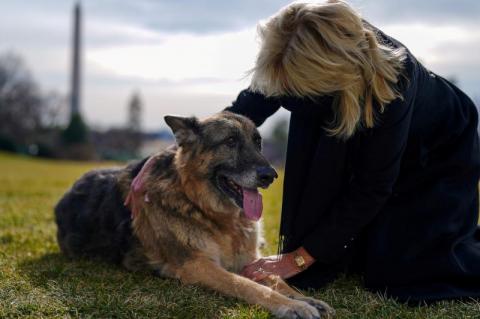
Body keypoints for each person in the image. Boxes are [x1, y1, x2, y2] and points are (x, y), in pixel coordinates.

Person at [225, 0, 480, 303]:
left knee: (406, 273)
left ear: (328, 74)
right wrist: (182, 147)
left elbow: (372, 186)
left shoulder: (393, 82)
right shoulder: (288, 47)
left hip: (439, 145)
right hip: (370, 122)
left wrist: (298, 259)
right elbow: (245, 109)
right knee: (354, 255)